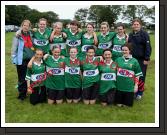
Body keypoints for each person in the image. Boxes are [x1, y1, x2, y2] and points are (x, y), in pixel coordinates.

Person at [128, 18, 152, 100]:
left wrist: (147, 58)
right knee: (132, 75)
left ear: (140, 25)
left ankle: (139, 93)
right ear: (132, 25)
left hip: (142, 59)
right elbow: (128, 46)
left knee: (141, 76)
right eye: (134, 24)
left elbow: (148, 47)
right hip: (132, 59)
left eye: (137, 24)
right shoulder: (131, 34)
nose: (135, 26)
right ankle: (133, 91)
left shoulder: (144, 34)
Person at [11, 19, 34, 101]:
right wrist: (14, 59)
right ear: (22, 26)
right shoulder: (18, 35)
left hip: (31, 60)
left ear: (29, 27)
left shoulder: (31, 34)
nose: (26, 27)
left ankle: (31, 91)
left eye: (27, 26)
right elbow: (14, 48)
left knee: (30, 77)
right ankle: (22, 94)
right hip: (21, 60)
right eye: (24, 25)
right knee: (22, 78)